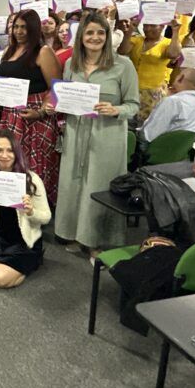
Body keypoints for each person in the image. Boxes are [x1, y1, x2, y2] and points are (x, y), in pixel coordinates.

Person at [51, 13, 139, 255]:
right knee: (74, 185)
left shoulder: (124, 65)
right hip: (75, 133)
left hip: (107, 136)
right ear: (81, 37)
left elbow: (134, 105)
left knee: (98, 187)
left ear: (108, 36)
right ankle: (76, 235)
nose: (95, 37)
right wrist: (55, 104)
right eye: (89, 32)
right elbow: (65, 99)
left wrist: (115, 110)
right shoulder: (71, 64)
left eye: (100, 33)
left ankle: (97, 242)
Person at [0, 10, 63, 207]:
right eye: (16, 27)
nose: (19, 31)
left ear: (34, 28)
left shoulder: (43, 52)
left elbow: (56, 88)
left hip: (34, 119)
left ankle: (35, 212)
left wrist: (40, 112)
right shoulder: (9, 51)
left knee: (33, 167)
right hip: (8, 116)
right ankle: (10, 211)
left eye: (24, 27)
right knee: (9, 162)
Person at [0, 130, 51, 288]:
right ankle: (2, 263)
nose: (4, 155)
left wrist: (31, 211)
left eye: (10, 150)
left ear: (17, 153)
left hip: (24, 242)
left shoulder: (31, 179)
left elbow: (46, 217)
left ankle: (31, 262)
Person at [119, 17, 182, 121]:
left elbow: (173, 54)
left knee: (147, 123)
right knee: (127, 121)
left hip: (154, 93)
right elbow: (122, 51)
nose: (148, 29)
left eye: (153, 25)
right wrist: (131, 29)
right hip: (132, 89)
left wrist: (175, 31)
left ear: (162, 26)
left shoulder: (168, 43)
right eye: (145, 25)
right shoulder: (137, 40)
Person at [138, 67, 195, 145]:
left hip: (152, 150)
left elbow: (149, 135)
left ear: (180, 78)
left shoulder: (173, 101)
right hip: (177, 155)